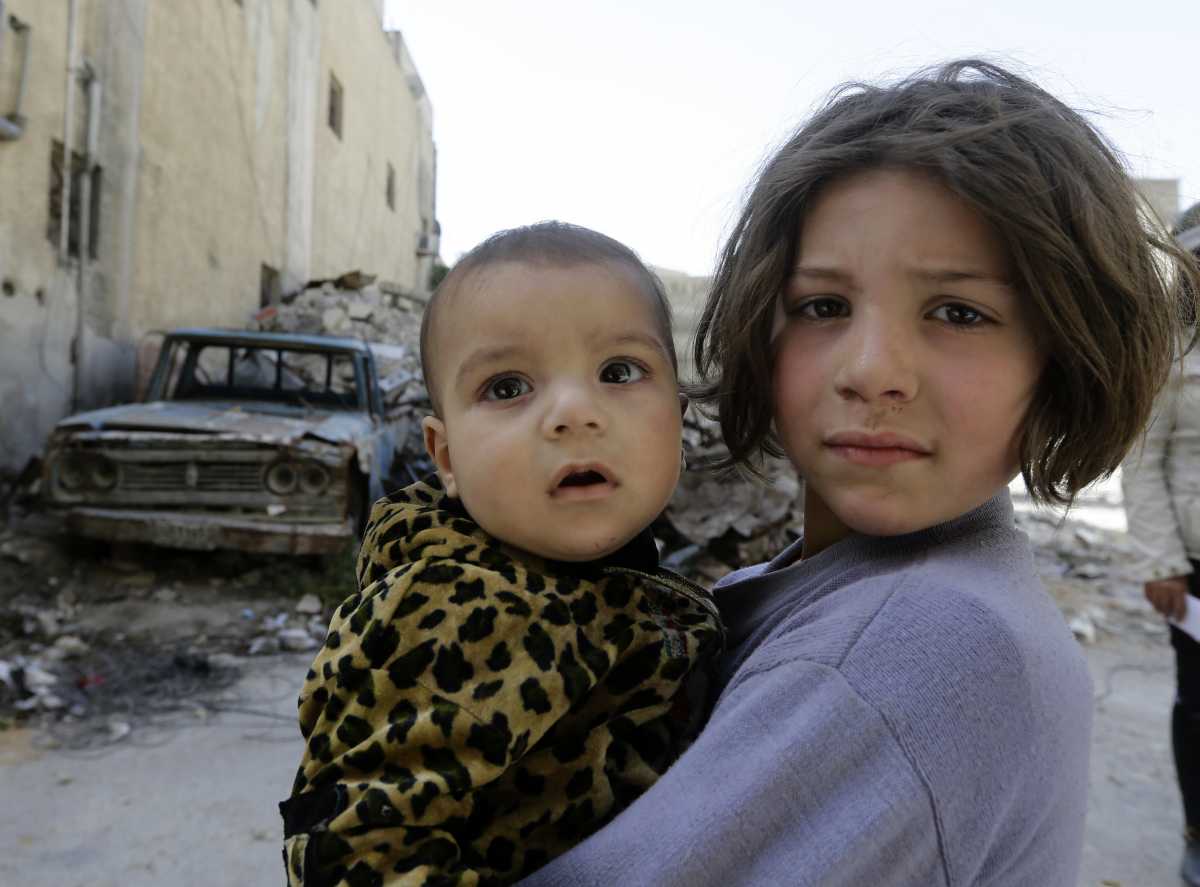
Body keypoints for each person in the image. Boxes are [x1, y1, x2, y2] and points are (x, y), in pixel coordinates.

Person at [519, 60, 1198, 886]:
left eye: (959, 313)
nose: (873, 370)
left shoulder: (924, 648)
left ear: (1059, 361)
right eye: (823, 307)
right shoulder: (868, 589)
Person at [279, 222, 724, 886]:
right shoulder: (446, 611)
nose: (574, 413)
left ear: (680, 418)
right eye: (509, 387)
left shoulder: (646, 590)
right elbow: (355, 847)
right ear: (447, 457)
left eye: (619, 371)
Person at [1121, 201, 1200, 885]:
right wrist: (1161, 562)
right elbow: (1144, 461)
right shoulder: (1173, 354)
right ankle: (1198, 830)